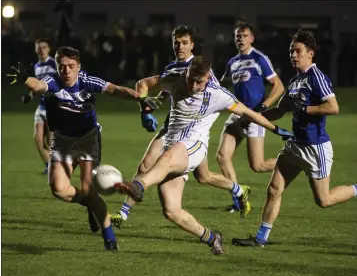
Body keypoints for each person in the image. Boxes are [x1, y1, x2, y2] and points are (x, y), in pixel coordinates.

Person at [114, 56, 294, 255]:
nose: (193, 85)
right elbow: (145, 83)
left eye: (198, 81)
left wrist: (275, 129)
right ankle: (211, 237)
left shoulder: (218, 94)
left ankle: (139, 186)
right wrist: (144, 104)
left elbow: (248, 113)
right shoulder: (176, 78)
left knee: (164, 161)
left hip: (194, 144)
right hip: (173, 146)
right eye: (190, 78)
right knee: (172, 211)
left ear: (208, 77)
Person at [7, 46, 160, 251]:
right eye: (62, 67)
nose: (67, 71)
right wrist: (26, 79)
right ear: (57, 67)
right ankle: (91, 204)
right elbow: (38, 86)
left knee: (88, 188)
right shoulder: (53, 82)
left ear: (79, 67)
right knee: (59, 189)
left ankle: (109, 236)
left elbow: (116, 90)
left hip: (88, 140)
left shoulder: (87, 81)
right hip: (62, 141)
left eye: (71, 66)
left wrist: (139, 99)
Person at [111, 25, 251, 229]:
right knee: (203, 176)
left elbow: (216, 97)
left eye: (184, 42)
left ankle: (123, 213)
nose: (179, 46)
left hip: (192, 133)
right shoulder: (172, 67)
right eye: (176, 42)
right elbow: (166, 90)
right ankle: (239, 190)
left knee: (149, 165)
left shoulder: (201, 70)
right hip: (175, 128)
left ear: (192, 45)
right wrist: (148, 107)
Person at [231, 29, 357, 247]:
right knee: (273, 189)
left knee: (323, 200)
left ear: (310, 53)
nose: (293, 55)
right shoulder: (296, 80)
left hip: (315, 147)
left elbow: (333, 107)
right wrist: (253, 118)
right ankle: (260, 238)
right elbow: (279, 111)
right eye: (291, 52)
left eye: (298, 51)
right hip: (294, 146)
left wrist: (306, 108)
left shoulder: (317, 77)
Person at [217, 21, 285, 212]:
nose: (240, 38)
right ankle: (239, 198)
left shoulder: (259, 58)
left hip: (254, 115)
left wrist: (263, 107)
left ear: (252, 38)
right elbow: (220, 85)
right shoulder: (232, 62)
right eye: (237, 35)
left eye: (244, 35)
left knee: (259, 165)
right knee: (223, 156)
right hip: (238, 113)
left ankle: (297, 162)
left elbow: (279, 86)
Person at [32, 38, 57, 175]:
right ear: (36, 49)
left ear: (49, 49)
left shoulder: (54, 63)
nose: (41, 49)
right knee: (37, 138)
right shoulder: (36, 66)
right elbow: (38, 86)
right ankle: (49, 166)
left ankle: (56, 167)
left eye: (44, 47)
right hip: (42, 105)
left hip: (53, 106)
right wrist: (31, 94)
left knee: (50, 140)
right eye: (39, 47)